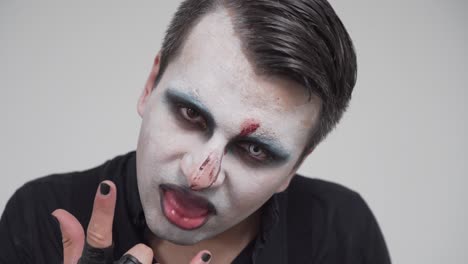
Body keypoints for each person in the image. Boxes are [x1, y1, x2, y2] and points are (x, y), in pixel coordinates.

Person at [0, 0, 391, 263]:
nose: (199, 175)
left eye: (255, 150)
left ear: (294, 168)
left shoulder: (341, 234)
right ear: (149, 86)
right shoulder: (44, 220)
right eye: (190, 113)